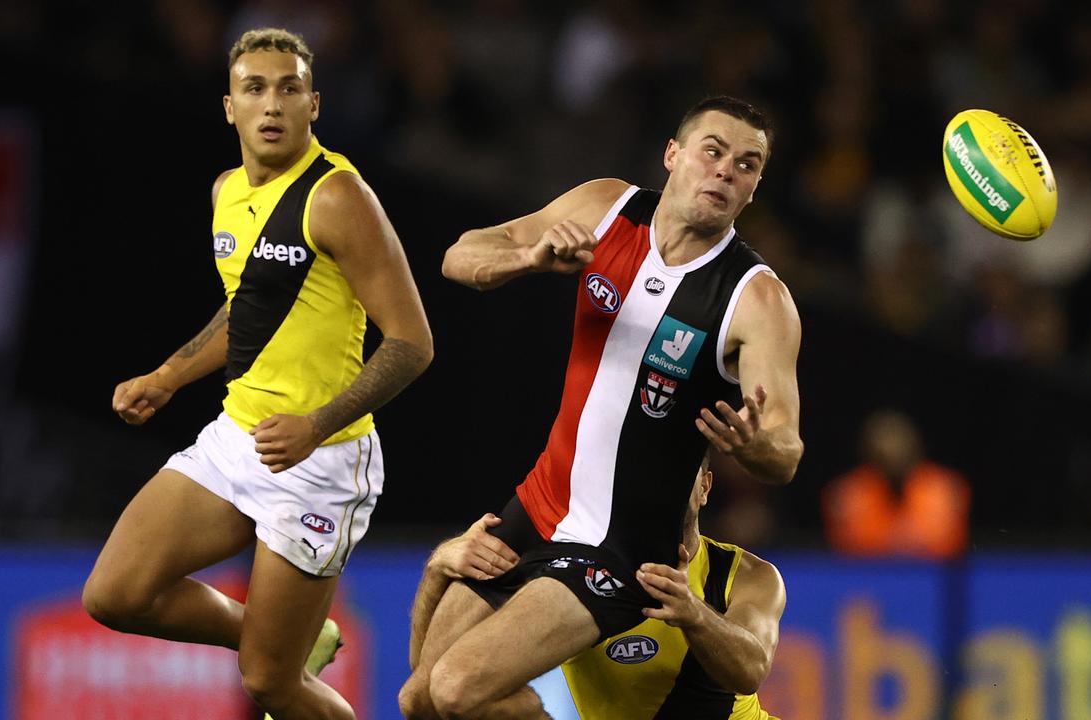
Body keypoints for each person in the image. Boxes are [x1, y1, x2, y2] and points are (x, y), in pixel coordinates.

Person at [399, 95, 802, 719]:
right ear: (674, 155)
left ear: (753, 189)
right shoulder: (605, 207)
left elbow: (786, 448)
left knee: (456, 687)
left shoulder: (757, 299)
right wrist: (525, 260)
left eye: (747, 165)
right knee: (421, 699)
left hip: (622, 545)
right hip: (539, 504)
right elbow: (459, 256)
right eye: (714, 152)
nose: (727, 171)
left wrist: (758, 445)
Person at [80, 28, 433, 720]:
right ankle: (298, 638)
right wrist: (169, 376)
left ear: (314, 105)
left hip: (322, 460)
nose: (272, 104)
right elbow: (249, 309)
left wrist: (316, 425)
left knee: (270, 685)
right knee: (113, 594)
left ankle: (281, 648)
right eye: (255, 88)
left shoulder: (338, 197)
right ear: (229, 108)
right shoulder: (227, 193)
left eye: (289, 88)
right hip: (238, 437)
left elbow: (413, 343)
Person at [409, 459, 787, 719]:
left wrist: (693, 613)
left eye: (678, 468)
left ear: (704, 485)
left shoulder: (745, 575)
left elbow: (751, 669)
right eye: (646, 472)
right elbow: (421, 694)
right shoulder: (564, 570)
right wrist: (437, 568)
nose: (661, 485)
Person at [822, 409, 970, 559]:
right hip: (868, 580)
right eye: (883, 456)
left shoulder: (946, 490)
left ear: (916, 449)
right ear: (868, 455)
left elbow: (949, 544)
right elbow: (850, 548)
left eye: (900, 448)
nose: (893, 458)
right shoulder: (846, 496)